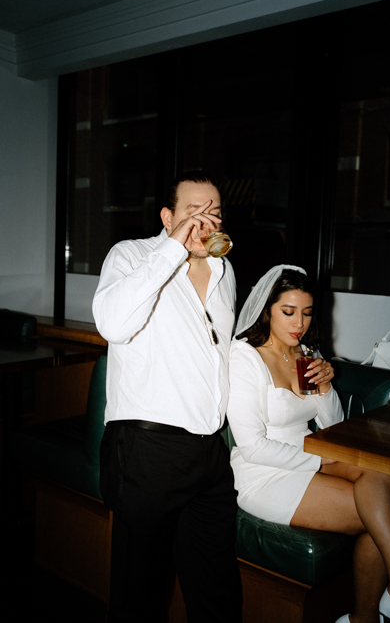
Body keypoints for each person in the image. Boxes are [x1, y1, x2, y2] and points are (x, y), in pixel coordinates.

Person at [227, 264, 390, 623]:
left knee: (379, 474)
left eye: (306, 313)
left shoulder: (304, 352)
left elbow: (334, 427)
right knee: (378, 516)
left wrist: (328, 387)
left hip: (314, 455)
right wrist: (320, 461)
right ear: (267, 310)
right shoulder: (245, 358)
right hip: (263, 473)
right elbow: (252, 446)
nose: (297, 323)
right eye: (287, 312)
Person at [92, 170, 242, 623]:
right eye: (193, 212)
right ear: (167, 216)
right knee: (140, 594)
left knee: (217, 593)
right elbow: (113, 324)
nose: (204, 222)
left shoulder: (223, 270)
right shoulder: (133, 255)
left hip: (209, 454)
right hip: (147, 450)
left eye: (213, 212)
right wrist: (171, 248)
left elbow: (218, 353)